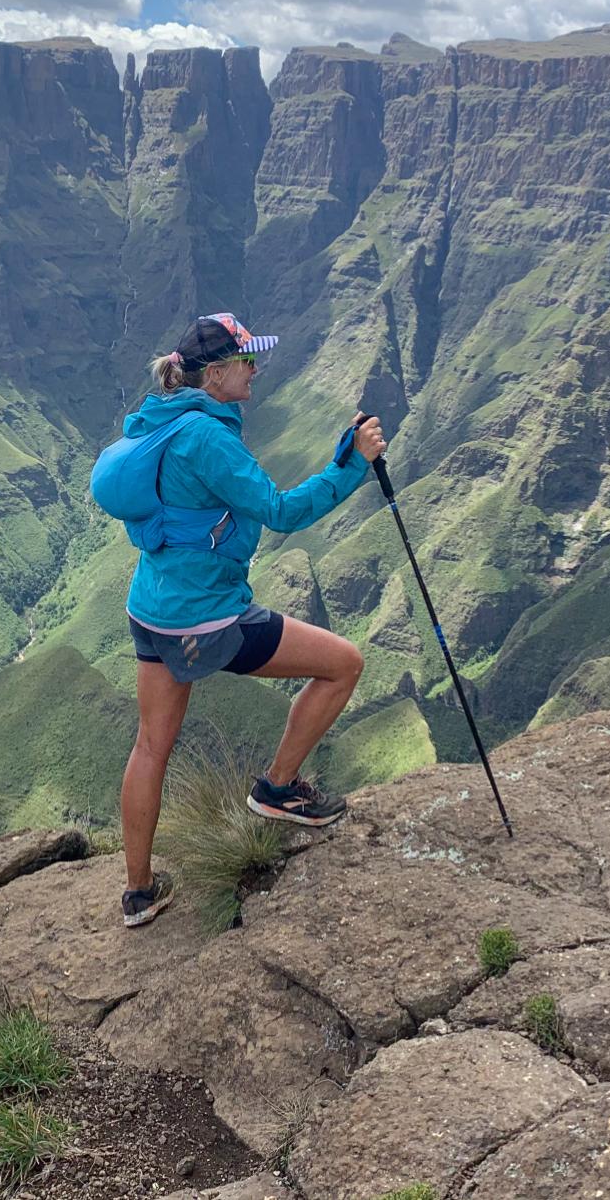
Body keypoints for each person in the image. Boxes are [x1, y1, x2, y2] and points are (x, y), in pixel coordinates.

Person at [115, 312, 385, 927]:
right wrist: (353, 466)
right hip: (206, 619)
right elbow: (281, 512)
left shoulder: (157, 419)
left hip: (150, 607)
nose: (256, 371)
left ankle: (138, 894)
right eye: (247, 362)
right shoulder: (208, 439)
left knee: (150, 746)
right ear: (215, 375)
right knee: (343, 665)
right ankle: (278, 789)